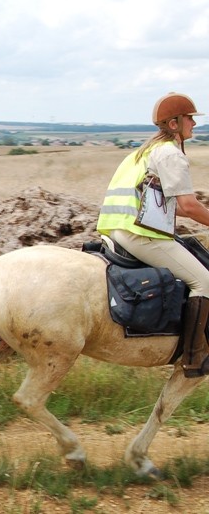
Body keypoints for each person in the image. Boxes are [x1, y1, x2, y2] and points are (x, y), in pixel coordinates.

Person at [97, 92, 209, 377]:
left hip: (120, 230)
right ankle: (196, 357)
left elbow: (173, 206)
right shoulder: (170, 152)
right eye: (190, 119)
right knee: (205, 281)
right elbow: (188, 205)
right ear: (174, 124)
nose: (194, 125)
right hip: (142, 235)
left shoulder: (144, 151)